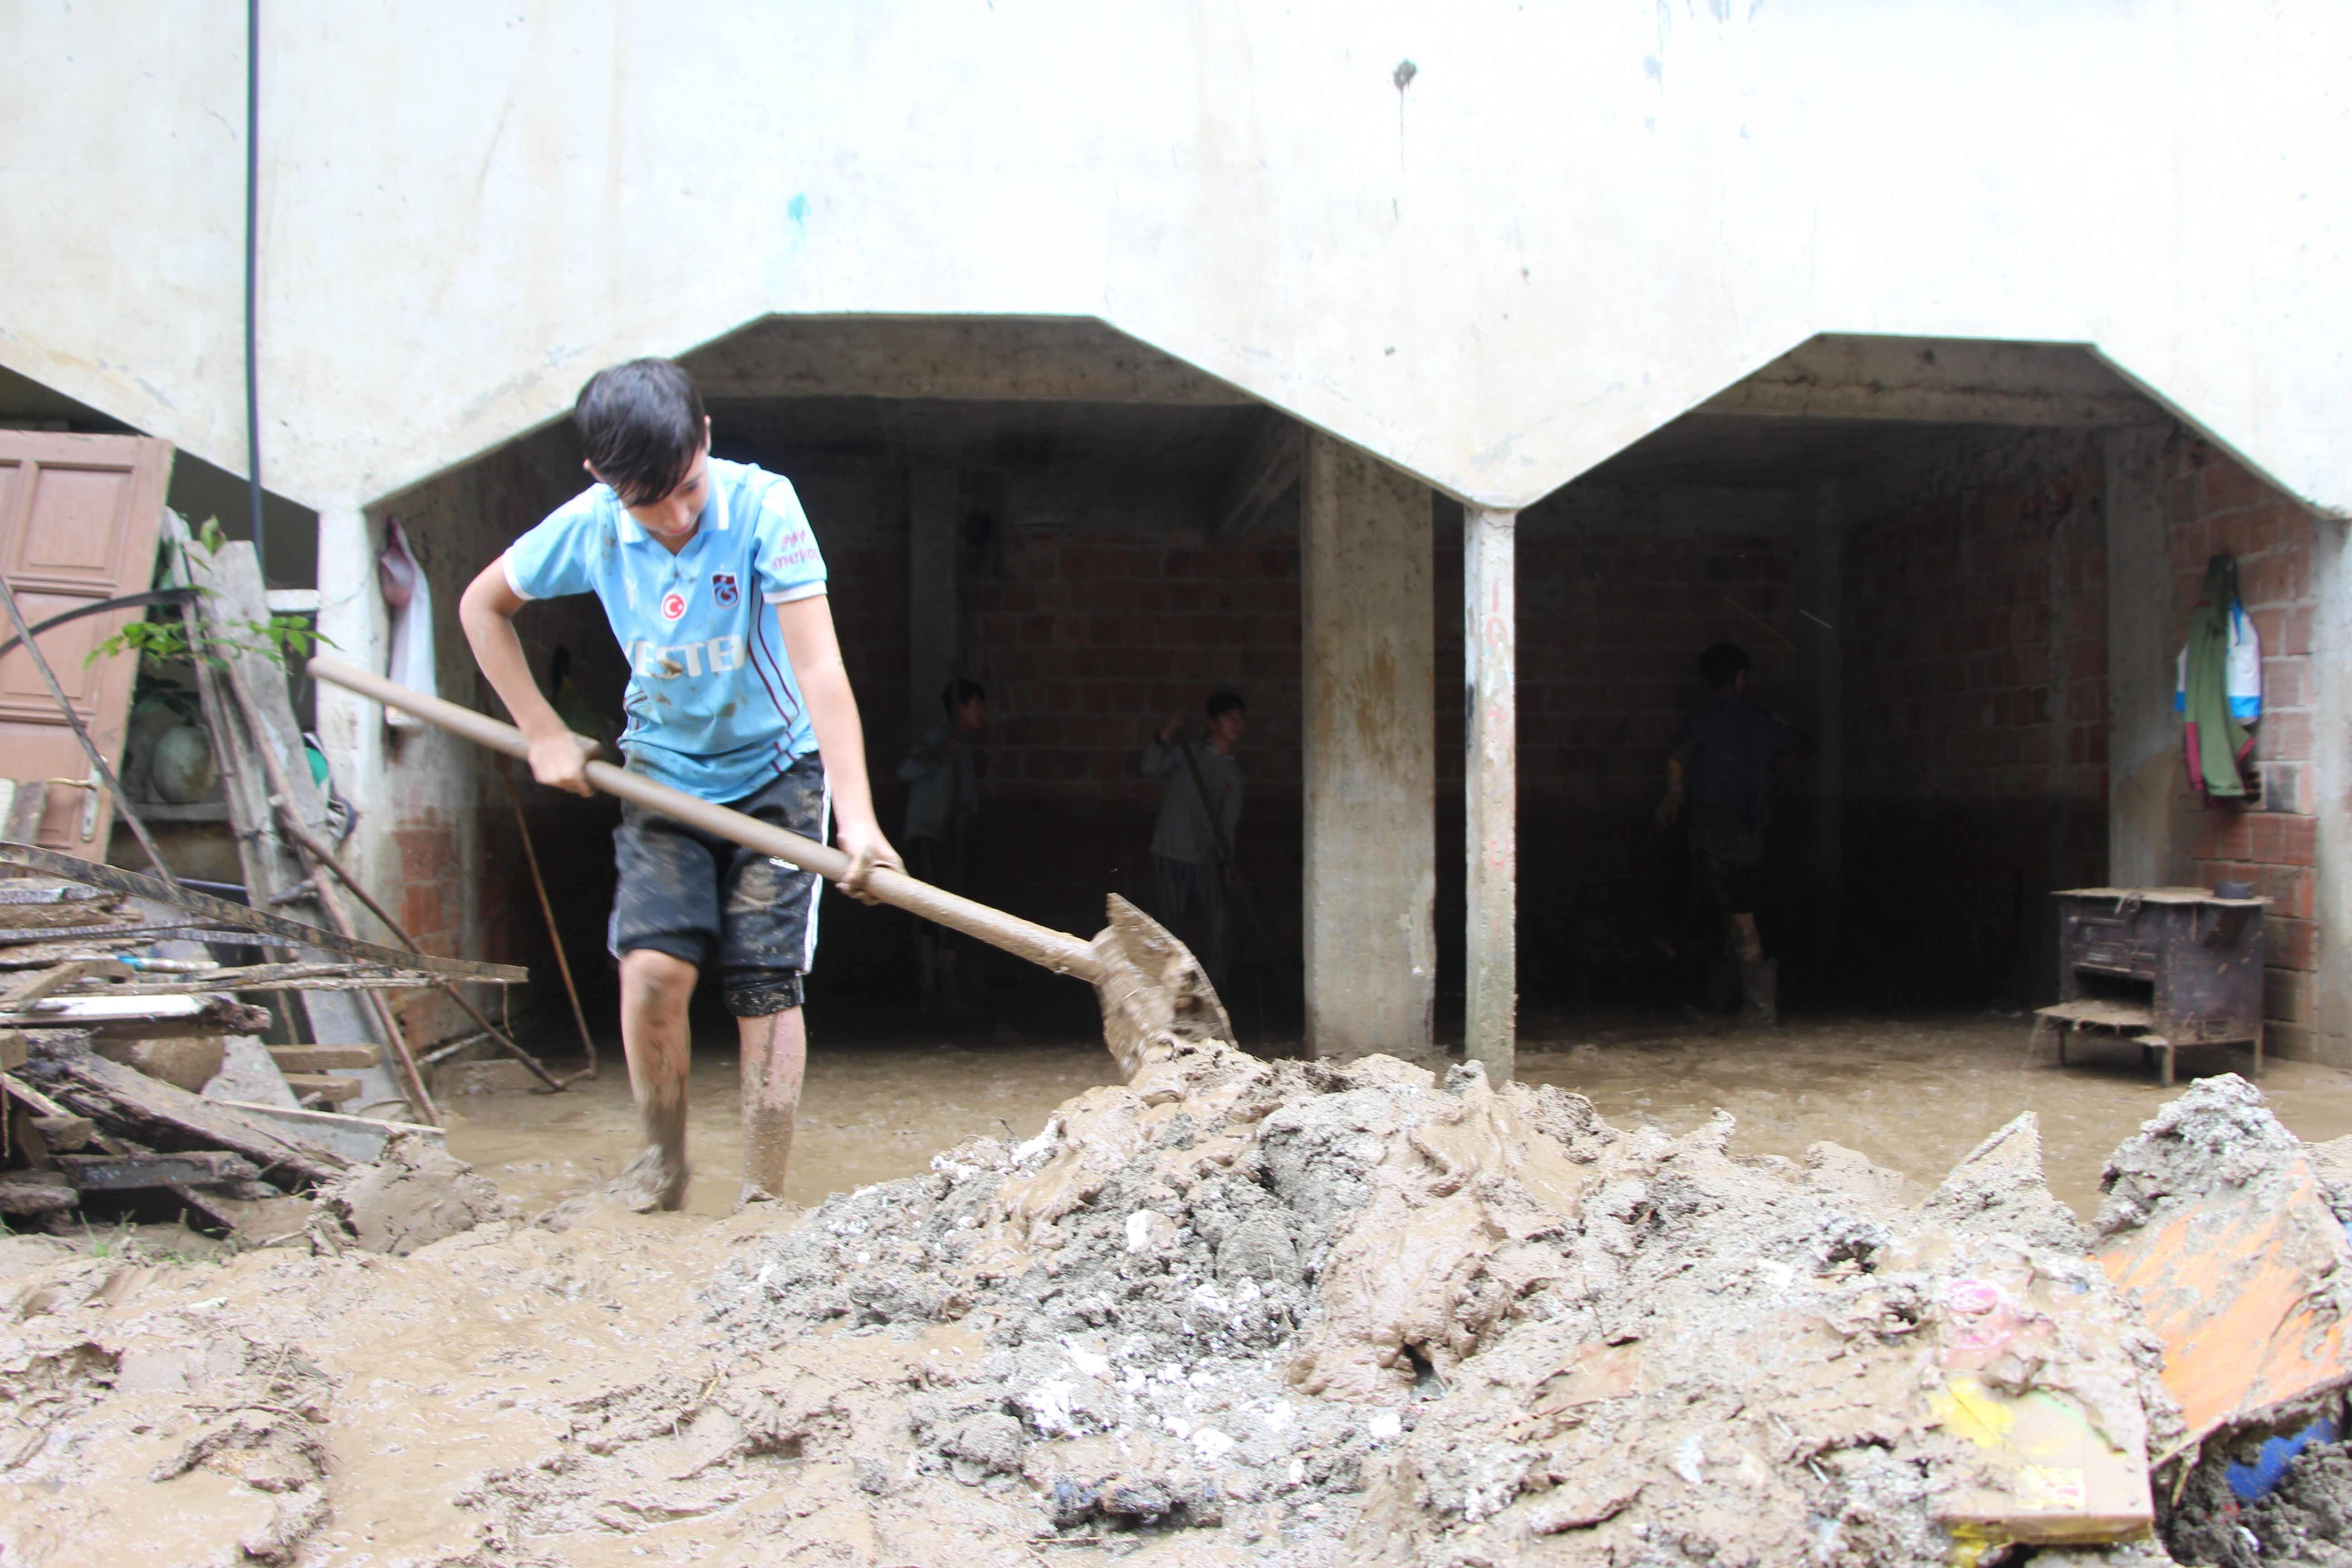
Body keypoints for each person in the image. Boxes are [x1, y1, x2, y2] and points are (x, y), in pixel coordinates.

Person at [458, 358, 898, 1212]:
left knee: (763, 983)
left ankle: (761, 1195)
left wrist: (857, 819)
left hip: (778, 771)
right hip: (661, 775)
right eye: (647, 500)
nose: (676, 516)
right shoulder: (589, 526)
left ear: (705, 436)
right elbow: (483, 607)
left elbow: (819, 665)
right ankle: (662, 1165)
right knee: (653, 971)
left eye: (688, 488)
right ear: (602, 481)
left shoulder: (766, 508)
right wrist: (541, 730)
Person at [1656, 642, 1793, 1027]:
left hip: (1714, 832)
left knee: (1737, 914)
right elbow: (1802, 740)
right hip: (1752, 830)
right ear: (1741, 678)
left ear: (1705, 681)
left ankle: (1759, 1010)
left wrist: (1674, 792)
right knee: (1736, 909)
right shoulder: (1763, 719)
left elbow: (1676, 759)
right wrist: (1782, 767)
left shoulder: (1701, 720)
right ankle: (1735, 1002)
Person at [1140, 692, 1246, 995]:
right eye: (1229, 717)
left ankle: (1213, 993)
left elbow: (1228, 826)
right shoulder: (1189, 751)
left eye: (1240, 718)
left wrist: (1229, 863)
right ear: (1212, 723)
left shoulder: (1235, 776)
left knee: (1219, 925)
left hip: (1206, 859)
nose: (1236, 724)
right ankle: (1163, 995)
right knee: (1169, 926)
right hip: (1170, 852)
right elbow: (1149, 766)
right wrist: (1168, 732)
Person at [897, 679, 987, 1014]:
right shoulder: (938, 741)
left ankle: (943, 982)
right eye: (977, 705)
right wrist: (939, 754)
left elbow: (971, 798)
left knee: (951, 906)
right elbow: (905, 771)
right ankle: (930, 984)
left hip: (949, 839)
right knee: (933, 910)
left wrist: (966, 811)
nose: (983, 713)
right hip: (924, 835)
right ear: (961, 708)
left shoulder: (964, 752)